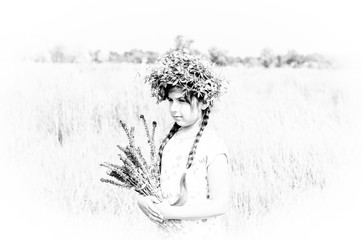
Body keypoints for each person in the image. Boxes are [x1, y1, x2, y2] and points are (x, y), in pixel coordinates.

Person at [138, 49, 229, 238]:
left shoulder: (212, 146)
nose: (173, 108)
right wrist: (143, 201)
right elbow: (154, 185)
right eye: (170, 100)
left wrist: (172, 213)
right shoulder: (169, 141)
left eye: (182, 101)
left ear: (204, 102)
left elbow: (219, 204)